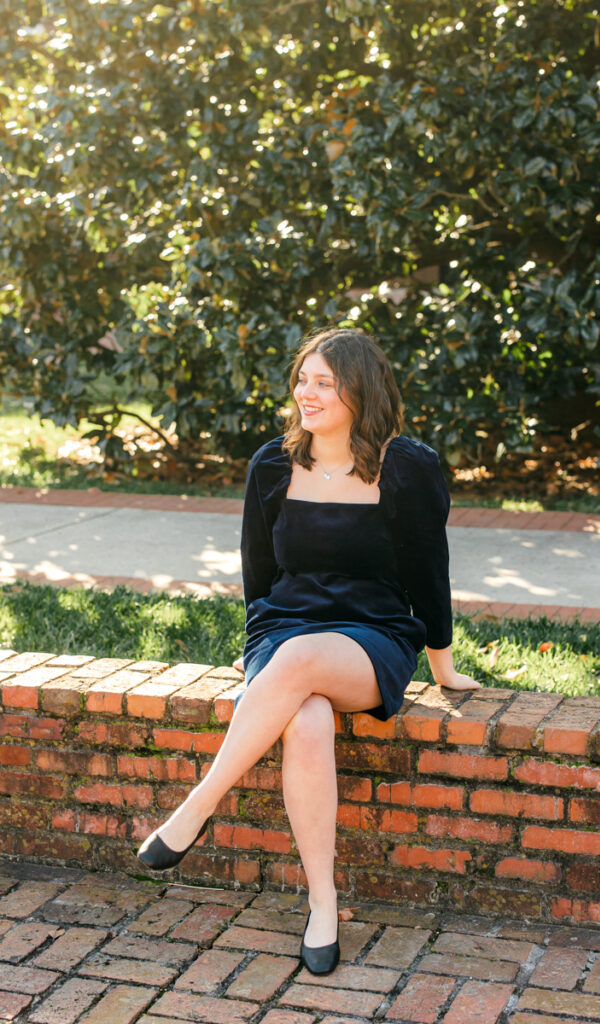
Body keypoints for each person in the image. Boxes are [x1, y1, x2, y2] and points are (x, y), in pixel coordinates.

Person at [137, 327, 481, 974]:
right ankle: (323, 904)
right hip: (284, 627)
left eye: (325, 382)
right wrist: (256, 651)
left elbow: (428, 573)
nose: (307, 393)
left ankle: (197, 807)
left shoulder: (406, 467)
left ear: (361, 391)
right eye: (302, 379)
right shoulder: (272, 464)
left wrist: (443, 666)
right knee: (307, 716)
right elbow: (258, 573)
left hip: (371, 635)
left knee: (298, 662)